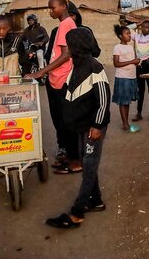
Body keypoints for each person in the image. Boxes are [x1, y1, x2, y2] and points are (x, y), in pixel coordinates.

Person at [45, 27, 111, 229]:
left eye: (69, 45)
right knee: (87, 162)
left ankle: (77, 212)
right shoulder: (77, 65)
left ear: (77, 47)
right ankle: (96, 201)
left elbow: (104, 100)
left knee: (88, 167)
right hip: (82, 125)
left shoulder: (95, 67)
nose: (67, 50)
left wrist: (98, 125)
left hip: (93, 127)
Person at [25, 0, 79, 174]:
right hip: (56, 79)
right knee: (60, 122)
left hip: (62, 80)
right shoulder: (63, 24)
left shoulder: (66, 24)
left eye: (53, 7)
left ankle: (74, 162)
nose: (50, 11)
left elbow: (66, 55)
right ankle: (68, 156)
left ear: (64, 6)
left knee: (67, 122)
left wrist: (42, 71)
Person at [112, 25, 141, 132]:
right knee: (122, 101)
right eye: (127, 33)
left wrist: (137, 62)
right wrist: (132, 61)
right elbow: (116, 63)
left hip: (131, 77)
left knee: (127, 101)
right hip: (122, 77)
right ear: (120, 36)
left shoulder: (130, 47)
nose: (129, 35)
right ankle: (125, 123)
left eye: (129, 33)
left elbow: (132, 61)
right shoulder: (117, 47)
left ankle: (126, 122)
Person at [130, 20, 149, 122]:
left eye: (147, 27)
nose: (144, 29)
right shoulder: (137, 36)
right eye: (143, 27)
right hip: (140, 65)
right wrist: (137, 24)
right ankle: (139, 113)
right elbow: (128, 29)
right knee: (140, 90)